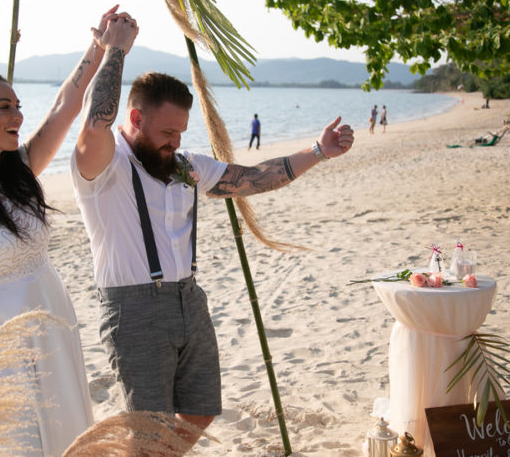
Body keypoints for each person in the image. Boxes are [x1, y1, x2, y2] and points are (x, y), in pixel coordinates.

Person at [70, 30, 354, 452]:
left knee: (202, 408)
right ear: (134, 119)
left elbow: (255, 179)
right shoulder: (103, 164)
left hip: (189, 300)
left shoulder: (187, 165)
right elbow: (95, 121)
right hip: (133, 310)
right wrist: (114, 51)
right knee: (147, 428)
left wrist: (318, 150)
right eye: (168, 131)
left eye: (181, 132)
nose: (176, 142)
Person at [0, 5, 136, 455]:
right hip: (0, 332)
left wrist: (99, 48)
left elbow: (64, 106)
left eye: (18, 106)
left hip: (51, 311)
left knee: (64, 430)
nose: (16, 115)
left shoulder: (20, 171)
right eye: (4, 107)